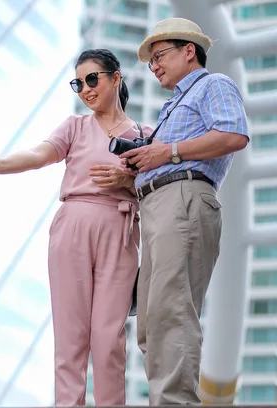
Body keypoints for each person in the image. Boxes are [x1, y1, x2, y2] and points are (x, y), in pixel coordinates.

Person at [0, 49, 154, 406]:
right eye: (77, 83)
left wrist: (125, 181)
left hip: (121, 230)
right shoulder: (74, 127)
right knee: (71, 338)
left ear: (116, 77)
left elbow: (156, 188)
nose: (84, 89)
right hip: (71, 230)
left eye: (92, 79)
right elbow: (39, 155)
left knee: (108, 339)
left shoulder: (145, 135)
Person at [119, 18, 250, 405]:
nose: (154, 66)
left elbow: (233, 134)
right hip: (160, 206)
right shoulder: (170, 106)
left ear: (188, 50)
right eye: (150, 62)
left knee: (171, 315)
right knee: (152, 322)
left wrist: (167, 151)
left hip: (184, 200)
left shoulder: (214, 85)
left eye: (159, 56)